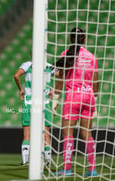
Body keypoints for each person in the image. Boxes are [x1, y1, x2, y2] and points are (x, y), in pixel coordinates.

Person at [52, 27, 99, 176]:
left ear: (71, 39)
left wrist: (56, 98)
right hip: (89, 96)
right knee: (87, 134)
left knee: (68, 134)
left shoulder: (67, 54)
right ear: (84, 39)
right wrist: (95, 100)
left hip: (73, 97)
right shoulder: (92, 57)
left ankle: (67, 169)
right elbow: (96, 82)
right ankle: (93, 170)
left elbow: (61, 79)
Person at [14, 50, 56, 166]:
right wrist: (54, 90)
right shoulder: (49, 66)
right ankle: (47, 161)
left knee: (27, 133)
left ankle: (25, 160)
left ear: (32, 55)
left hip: (29, 100)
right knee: (46, 133)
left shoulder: (27, 65)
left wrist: (21, 89)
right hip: (44, 101)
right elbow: (61, 75)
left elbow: (16, 75)